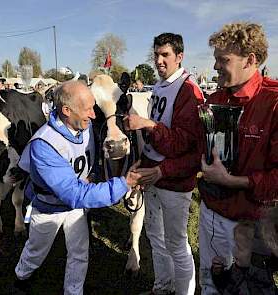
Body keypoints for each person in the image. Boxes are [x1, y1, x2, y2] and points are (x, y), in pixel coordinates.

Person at [14, 80, 141, 295]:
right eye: (88, 109)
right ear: (66, 110)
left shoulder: (86, 126)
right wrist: (123, 184)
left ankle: (73, 290)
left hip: (77, 205)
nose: (93, 115)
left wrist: (92, 174)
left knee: (80, 252)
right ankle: (22, 275)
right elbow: (73, 193)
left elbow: (92, 162)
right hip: (49, 208)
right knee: (36, 250)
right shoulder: (44, 144)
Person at [198, 22, 278, 294]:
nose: (216, 67)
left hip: (250, 225)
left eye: (224, 60)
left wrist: (234, 181)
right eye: (215, 60)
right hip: (210, 211)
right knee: (210, 283)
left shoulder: (274, 101)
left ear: (250, 60)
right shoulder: (214, 100)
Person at [125, 32, 204, 295]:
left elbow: (183, 144)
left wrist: (148, 124)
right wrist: (142, 160)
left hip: (174, 180)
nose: (159, 60)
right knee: (155, 238)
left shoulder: (188, 90)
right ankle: (162, 287)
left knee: (177, 244)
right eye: (156, 54)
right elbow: (158, 140)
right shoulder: (159, 86)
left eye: (165, 55)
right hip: (153, 175)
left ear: (179, 57)